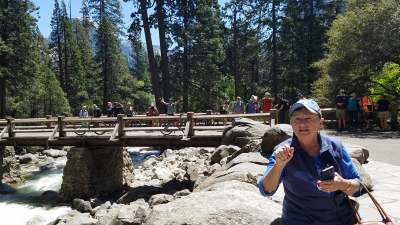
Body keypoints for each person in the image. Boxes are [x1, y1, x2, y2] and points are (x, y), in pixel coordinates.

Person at [258, 99, 363, 224]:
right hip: (301, 220)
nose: (302, 123)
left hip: (343, 218)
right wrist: (279, 165)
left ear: (320, 123)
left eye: (309, 118)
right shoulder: (283, 151)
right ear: (291, 123)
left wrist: (343, 184)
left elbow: (359, 187)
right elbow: (267, 190)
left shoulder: (335, 146)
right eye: (297, 119)